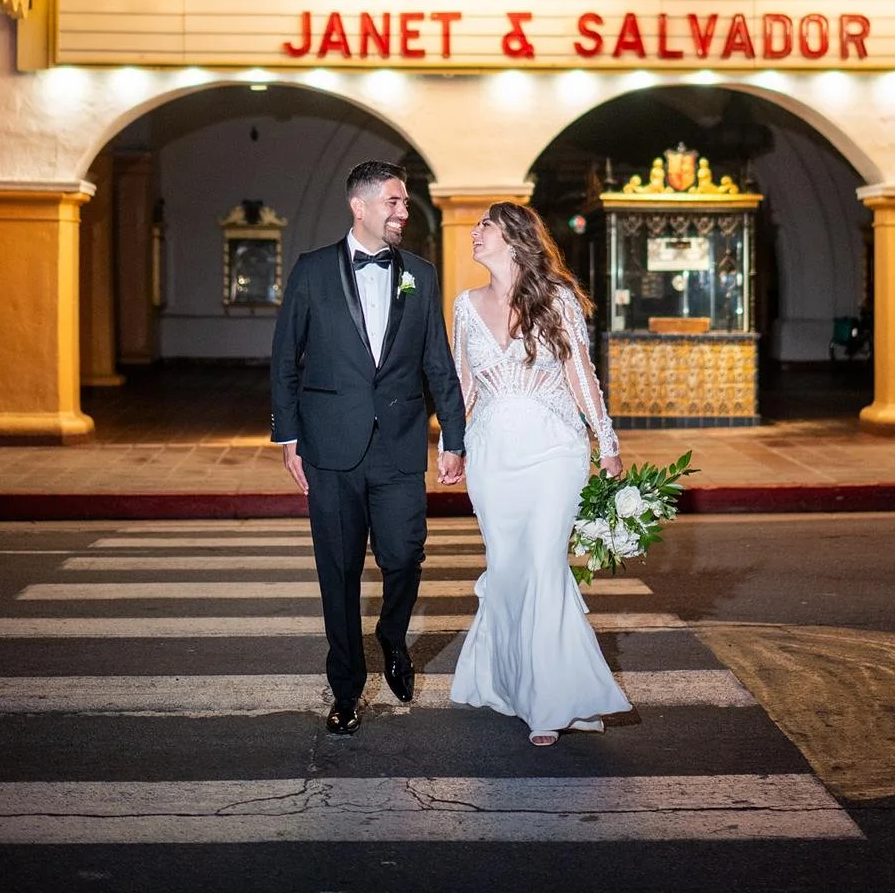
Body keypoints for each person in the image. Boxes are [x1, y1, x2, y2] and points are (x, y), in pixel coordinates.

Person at [271, 159, 467, 736]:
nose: (404, 212)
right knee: (338, 571)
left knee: (404, 555)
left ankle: (391, 635)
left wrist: (452, 436)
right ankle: (347, 689)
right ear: (360, 206)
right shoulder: (310, 272)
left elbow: (438, 361)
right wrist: (288, 436)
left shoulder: (421, 275)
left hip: (400, 445)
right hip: (329, 446)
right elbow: (286, 358)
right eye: (395, 202)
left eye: (405, 204)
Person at [449, 200, 633, 746]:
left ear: (513, 238)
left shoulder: (556, 299)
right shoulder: (464, 305)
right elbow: (463, 384)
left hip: (555, 449)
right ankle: (509, 682)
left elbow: (581, 374)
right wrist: (449, 445)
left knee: (544, 565)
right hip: (491, 453)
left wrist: (607, 443)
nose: (475, 233)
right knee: (507, 570)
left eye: (485, 226)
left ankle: (547, 702)